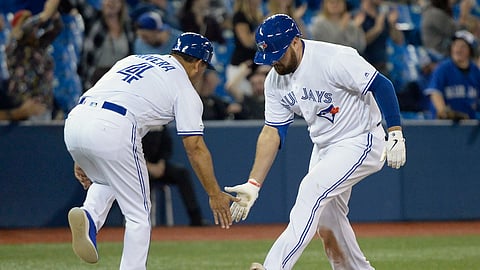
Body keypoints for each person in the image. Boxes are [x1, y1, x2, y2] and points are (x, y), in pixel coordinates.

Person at [223, 14, 406, 270]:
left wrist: (395, 131)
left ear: (296, 41)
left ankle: (274, 267)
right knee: (328, 223)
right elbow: (272, 132)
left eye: (278, 53)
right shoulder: (275, 80)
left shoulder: (333, 58)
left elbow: (381, 85)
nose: (274, 61)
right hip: (325, 147)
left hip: (361, 139)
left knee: (311, 189)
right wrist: (254, 183)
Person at [64, 32, 238, 269]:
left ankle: (90, 216)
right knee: (139, 215)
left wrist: (82, 155)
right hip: (113, 127)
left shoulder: (133, 59)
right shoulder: (184, 88)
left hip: (77, 120)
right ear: (198, 65)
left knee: (108, 179)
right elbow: (195, 147)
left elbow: (98, 95)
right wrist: (214, 193)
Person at [142, 125, 207, 226]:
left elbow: (167, 146)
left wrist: (161, 163)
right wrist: (147, 165)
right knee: (142, 181)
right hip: (140, 168)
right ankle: (141, 220)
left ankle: (196, 218)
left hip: (160, 166)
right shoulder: (138, 125)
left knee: (182, 173)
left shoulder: (161, 125)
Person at [6, 8, 63, 121]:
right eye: (27, 21)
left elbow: (58, 28)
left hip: (44, 104)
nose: (34, 29)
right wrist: (44, 15)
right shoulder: (15, 46)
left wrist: (54, 14)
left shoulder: (39, 45)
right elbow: (25, 29)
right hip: (23, 104)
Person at [423, 30, 480, 120]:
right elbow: (435, 93)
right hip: (445, 126)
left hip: (469, 125)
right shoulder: (443, 69)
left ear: (471, 51)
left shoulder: (476, 72)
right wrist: (444, 112)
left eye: (463, 46)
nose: (458, 50)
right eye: (455, 45)